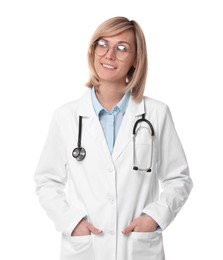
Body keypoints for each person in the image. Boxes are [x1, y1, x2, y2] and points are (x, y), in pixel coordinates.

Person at [34, 16, 193, 260]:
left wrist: (155, 217)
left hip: (137, 248)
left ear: (135, 60)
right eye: (103, 44)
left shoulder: (157, 114)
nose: (109, 55)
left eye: (122, 48)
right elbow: (47, 181)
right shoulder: (66, 116)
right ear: (93, 49)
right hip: (87, 247)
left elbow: (178, 178)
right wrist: (72, 222)